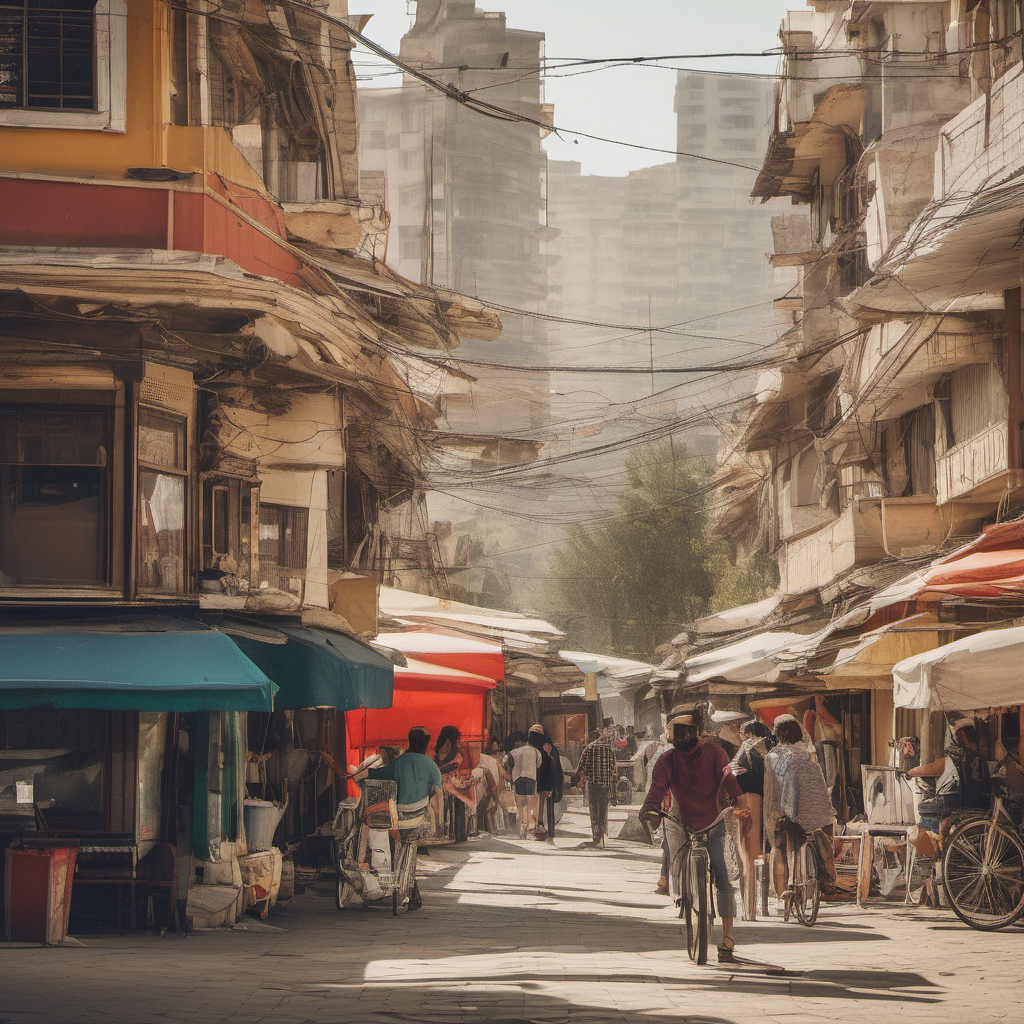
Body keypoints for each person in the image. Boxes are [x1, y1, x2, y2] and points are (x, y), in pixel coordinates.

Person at [641, 705, 748, 962]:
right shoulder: (667, 760)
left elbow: (729, 781)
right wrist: (650, 809)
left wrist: (739, 801)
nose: (682, 738)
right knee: (678, 858)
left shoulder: (715, 754)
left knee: (723, 879)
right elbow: (657, 789)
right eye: (677, 733)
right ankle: (683, 894)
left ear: (695, 732)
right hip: (682, 821)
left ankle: (728, 937)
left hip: (714, 822)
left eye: (686, 732)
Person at [358, 725, 442, 910]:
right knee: (409, 850)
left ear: (410, 741)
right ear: (426, 744)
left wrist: (359, 775)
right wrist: (439, 820)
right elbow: (437, 791)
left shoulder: (399, 762)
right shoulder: (431, 764)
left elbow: (378, 775)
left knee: (398, 848)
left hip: (398, 818)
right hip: (419, 817)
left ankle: (410, 891)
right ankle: (411, 891)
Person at [762, 715, 836, 906]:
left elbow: (772, 790)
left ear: (777, 735)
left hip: (793, 810)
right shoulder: (808, 755)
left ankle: (784, 891)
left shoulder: (772, 757)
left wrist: (772, 816)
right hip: (821, 810)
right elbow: (818, 785)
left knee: (780, 844)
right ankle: (825, 877)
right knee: (818, 835)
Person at [908, 718, 990, 831]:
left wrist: (909, 772)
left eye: (956, 735)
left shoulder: (953, 758)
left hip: (953, 808)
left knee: (923, 808)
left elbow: (924, 770)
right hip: (977, 811)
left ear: (962, 734)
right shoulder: (981, 760)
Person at [730, 719, 776, 920]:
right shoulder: (774, 747)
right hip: (772, 805)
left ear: (749, 733)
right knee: (765, 857)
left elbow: (731, 772)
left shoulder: (746, 748)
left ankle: (749, 911)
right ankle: (764, 906)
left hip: (747, 803)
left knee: (747, 859)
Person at [575, 728, 617, 848]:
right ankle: (602, 837)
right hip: (605, 784)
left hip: (594, 783)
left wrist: (583, 777)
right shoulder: (609, 749)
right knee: (603, 810)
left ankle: (596, 837)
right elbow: (614, 767)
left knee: (594, 809)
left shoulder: (589, 748)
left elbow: (580, 766)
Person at [528, 724, 563, 841]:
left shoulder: (535, 749)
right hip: (545, 783)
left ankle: (539, 828)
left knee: (539, 806)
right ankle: (543, 828)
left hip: (539, 783)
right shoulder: (545, 748)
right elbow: (556, 768)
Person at [508, 733, 542, 838]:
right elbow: (539, 764)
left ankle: (523, 824)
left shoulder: (513, 752)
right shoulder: (535, 751)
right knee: (530, 801)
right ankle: (529, 824)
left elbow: (509, 764)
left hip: (518, 778)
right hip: (531, 777)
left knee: (520, 802)